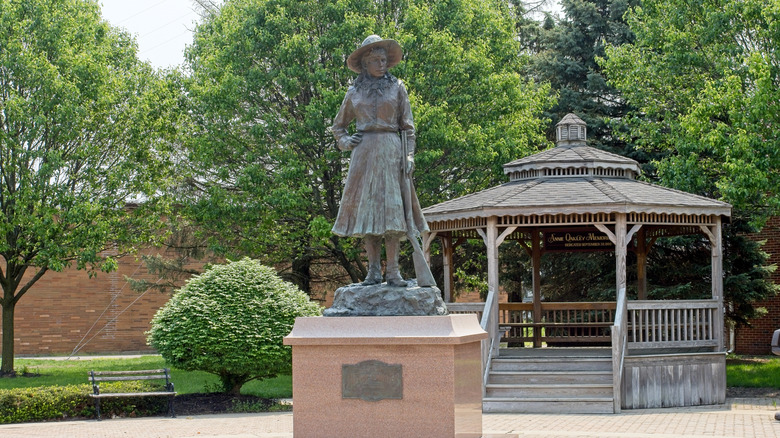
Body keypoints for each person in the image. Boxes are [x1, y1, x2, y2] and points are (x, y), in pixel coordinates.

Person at [331, 35, 429, 287]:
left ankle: (393, 271)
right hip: (363, 153)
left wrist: (408, 155)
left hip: (390, 150)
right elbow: (338, 126)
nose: (381, 64)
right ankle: (373, 271)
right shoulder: (353, 93)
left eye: (384, 59)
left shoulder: (397, 88)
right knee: (368, 213)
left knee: (392, 211)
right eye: (376, 60)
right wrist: (345, 142)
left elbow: (408, 126)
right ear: (365, 63)